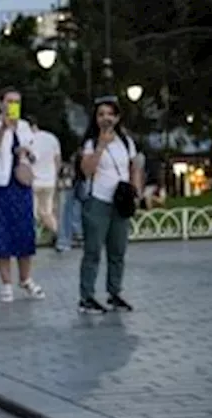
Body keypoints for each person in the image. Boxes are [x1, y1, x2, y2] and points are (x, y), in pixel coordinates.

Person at [0, 88, 45, 303]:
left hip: (20, 184)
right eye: (9, 101)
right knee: (1, 234)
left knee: (24, 231)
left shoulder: (25, 127)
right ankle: (6, 283)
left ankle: (25, 278)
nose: (12, 105)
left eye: (17, 102)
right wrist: (3, 128)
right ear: (0, 104)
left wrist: (26, 152)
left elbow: (36, 154)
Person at [77, 95, 142, 314]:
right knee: (93, 250)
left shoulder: (126, 142)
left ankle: (114, 292)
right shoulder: (91, 143)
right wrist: (101, 146)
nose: (106, 118)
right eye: (101, 114)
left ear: (117, 118)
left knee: (118, 250)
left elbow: (134, 167)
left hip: (120, 202)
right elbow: (87, 170)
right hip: (98, 200)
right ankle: (86, 297)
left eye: (110, 114)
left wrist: (136, 189)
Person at [28, 115, 62, 244]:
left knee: (32, 212)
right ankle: (57, 233)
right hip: (49, 181)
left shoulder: (29, 139)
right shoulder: (51, 138)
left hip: (33, 181)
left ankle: (30, 237)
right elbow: (57, 159)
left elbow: (31, 158)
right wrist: (55, 174)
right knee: (47, 212)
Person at [56, 152, 84, 252]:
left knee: (65, 209)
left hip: (70, 175)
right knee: (75, 205)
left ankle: (65, 240)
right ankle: (77, 234)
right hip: (77, 173)